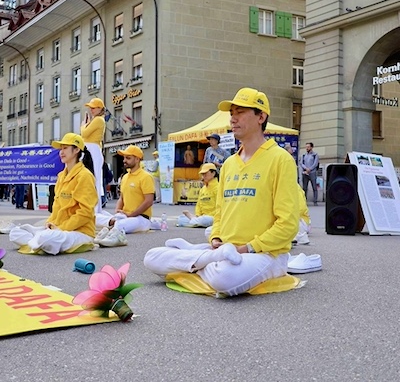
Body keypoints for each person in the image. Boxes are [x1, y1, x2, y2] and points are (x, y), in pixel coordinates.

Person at [144, 87, 299, 297]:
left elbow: (288, 224)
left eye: (240, 112)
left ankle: (196, 260)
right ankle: (206, 258)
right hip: (225, 250)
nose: (233, 119)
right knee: (151, 257)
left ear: (261, 116)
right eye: (232, 114)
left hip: (264, 253)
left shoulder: (281, 159)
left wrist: (246, 248)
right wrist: (216, 238)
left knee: (224, 278)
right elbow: (220, 213)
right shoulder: (228, 165)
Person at [9, 133, 98, 255]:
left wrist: (61, 228)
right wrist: (49, 224)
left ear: (76, 150)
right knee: (15, 232)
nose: (61, 152)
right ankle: (39, 240)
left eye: (65, 148)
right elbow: (56, 208)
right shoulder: (61, 176)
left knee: (48, 238)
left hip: (80, 232)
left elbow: (86, 212)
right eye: (61, 148)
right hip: (58, 229)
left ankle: (39, 240)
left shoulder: (85, 176)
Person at [95, 145, 155, 247]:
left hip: (142, 218)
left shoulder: (146, 177)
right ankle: (109, 232)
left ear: (137, 159)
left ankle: (117, 238)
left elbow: (149, 201)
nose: (124, 160)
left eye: (128, 158)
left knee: (119, 224)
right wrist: (118, 211)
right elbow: (122, 198)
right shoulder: (125, 177)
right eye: (124, 158)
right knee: (96, 217)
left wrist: (130, 215)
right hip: (126, 216)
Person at [81, 97, 106, 213]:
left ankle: (96, 208)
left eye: (93, 108)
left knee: (93, 178)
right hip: (91, 149)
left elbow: (84, 133)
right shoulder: (97, 120)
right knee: (92, 178)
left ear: (99, 108)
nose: (91, 110)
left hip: (92, 149)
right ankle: (95, 208)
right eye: (90, 108)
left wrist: (83, 125)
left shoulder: (98, 120)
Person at [176, 163, 219, 228]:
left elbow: (221, 206)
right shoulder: (203, 189)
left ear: (213, 173)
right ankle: (194, 220)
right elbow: (198, 205)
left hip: (213, 217)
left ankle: (193, 220)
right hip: (201, 217)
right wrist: (197, 215)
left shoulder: (218, 188)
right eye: (202, 174)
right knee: (180, 219)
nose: (203, 176)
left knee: (206, 220)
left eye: (205, 174)